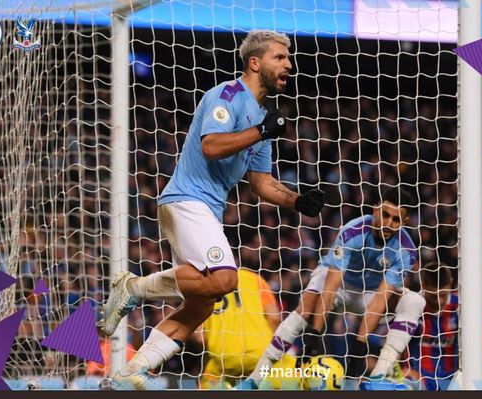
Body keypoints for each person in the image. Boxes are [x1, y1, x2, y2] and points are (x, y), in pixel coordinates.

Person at [99, 29, 325, 390]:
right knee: (225, 279)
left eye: (289, 57)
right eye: (280, 58)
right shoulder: (228, 95)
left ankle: (130, 371)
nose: (289, 64)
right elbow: (211, 145)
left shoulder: (261, 116)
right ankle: (135, 288)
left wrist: (296, 200)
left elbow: (262, 182)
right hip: (187, 200)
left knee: (202, 304)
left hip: (204, 209)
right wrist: (260, 132)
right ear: (255, 62)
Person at [239, 188, 426, 389]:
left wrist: (360, 346)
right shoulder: (352, 231)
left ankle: (377, 379)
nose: (388, 223)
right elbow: (331, 286)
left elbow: (381, 298)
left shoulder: (406, 250)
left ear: (404, 223)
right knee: (308, 303)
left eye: (396, 219)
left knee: (415, 301)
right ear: (375, 210)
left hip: (370, 295)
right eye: (385, 215)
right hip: (340, 285)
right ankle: (254, 379)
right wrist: (315, 334)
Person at [407, 265, 482, 390]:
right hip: (420, 377)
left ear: (450, 285)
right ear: (424, 286)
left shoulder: (460, 305)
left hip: (452, 377)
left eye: (443, 295)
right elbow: (398, 339)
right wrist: (405, 368)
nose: (438, 301)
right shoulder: (412, 305)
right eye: (433, 296)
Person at [195, 267, 281, 389]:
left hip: (225, 358)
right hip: (262, 352)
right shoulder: (254, 279)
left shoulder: (200, 287)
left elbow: (199, 338)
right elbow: (274, 318)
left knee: (208, 381)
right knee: (293, 373)